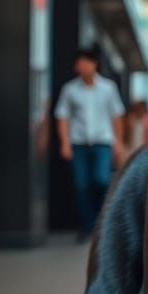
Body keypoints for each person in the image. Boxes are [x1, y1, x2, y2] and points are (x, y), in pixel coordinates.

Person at [55, 48, 125, 242]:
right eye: (78, 63)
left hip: (103, 142)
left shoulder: (108, 88)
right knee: (81, 186)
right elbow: (62, 116)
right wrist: (64, 143)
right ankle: (87, 227)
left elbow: (117, 115)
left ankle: (102, 224)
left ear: (93, 64)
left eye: (84, 62)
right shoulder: (70, 89)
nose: (80, 66)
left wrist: (118, 141)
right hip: (78, 144)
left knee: (102, 180)